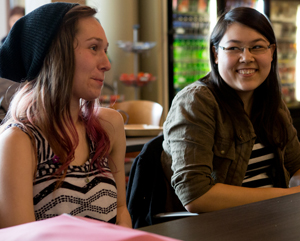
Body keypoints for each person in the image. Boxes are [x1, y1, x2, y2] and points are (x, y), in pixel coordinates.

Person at [0, 2, 132, 228]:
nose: (107, 64)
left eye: (105, 50)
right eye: (93, 48)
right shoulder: (19, 142)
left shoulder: (108, 126)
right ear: (55, 56)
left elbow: (120, 211)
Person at [161, 7, 300, 214]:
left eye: (257, 47)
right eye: (234, 48)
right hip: (222, 227)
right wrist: (288, 196)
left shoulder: (271, 101)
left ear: (271, 52)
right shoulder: (195, 102)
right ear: (216, 54)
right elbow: (195, 195)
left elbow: (295, 164)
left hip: (275, 219)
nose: (246, 57)